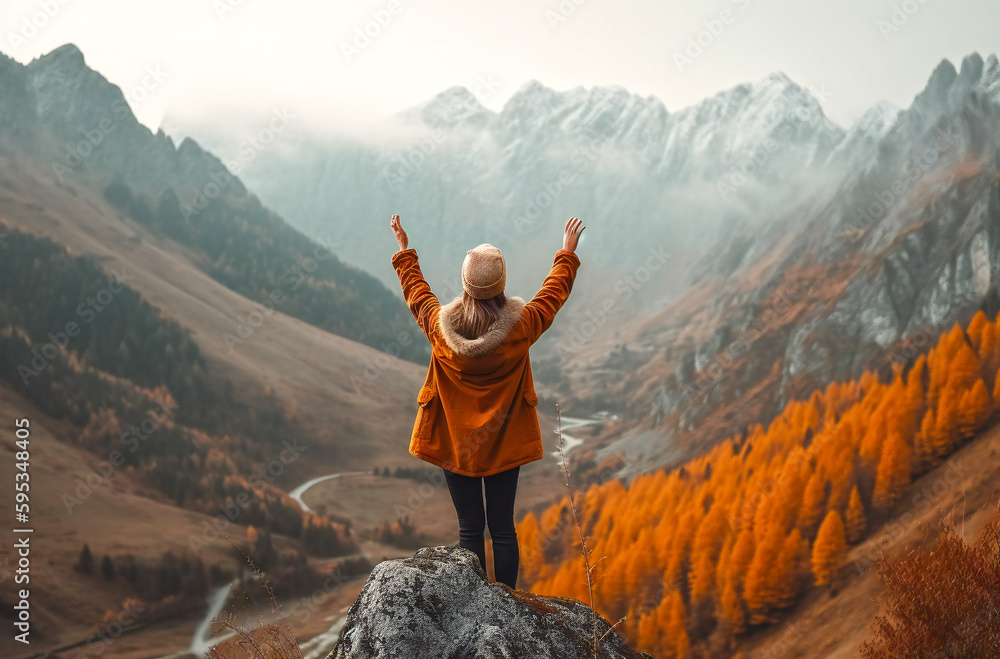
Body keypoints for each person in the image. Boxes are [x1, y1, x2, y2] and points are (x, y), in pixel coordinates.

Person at [389, 214, 584, 590]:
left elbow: (417, 293)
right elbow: (553, 294)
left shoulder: (437, 327)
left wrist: (404, 251)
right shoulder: (523, 326)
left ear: (465, 285)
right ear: (502, 284)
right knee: (503, 528)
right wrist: (567, 253)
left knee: (469, 527)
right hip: (504, 439)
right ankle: (505, 601)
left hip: (453, 439)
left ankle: (474, 603)